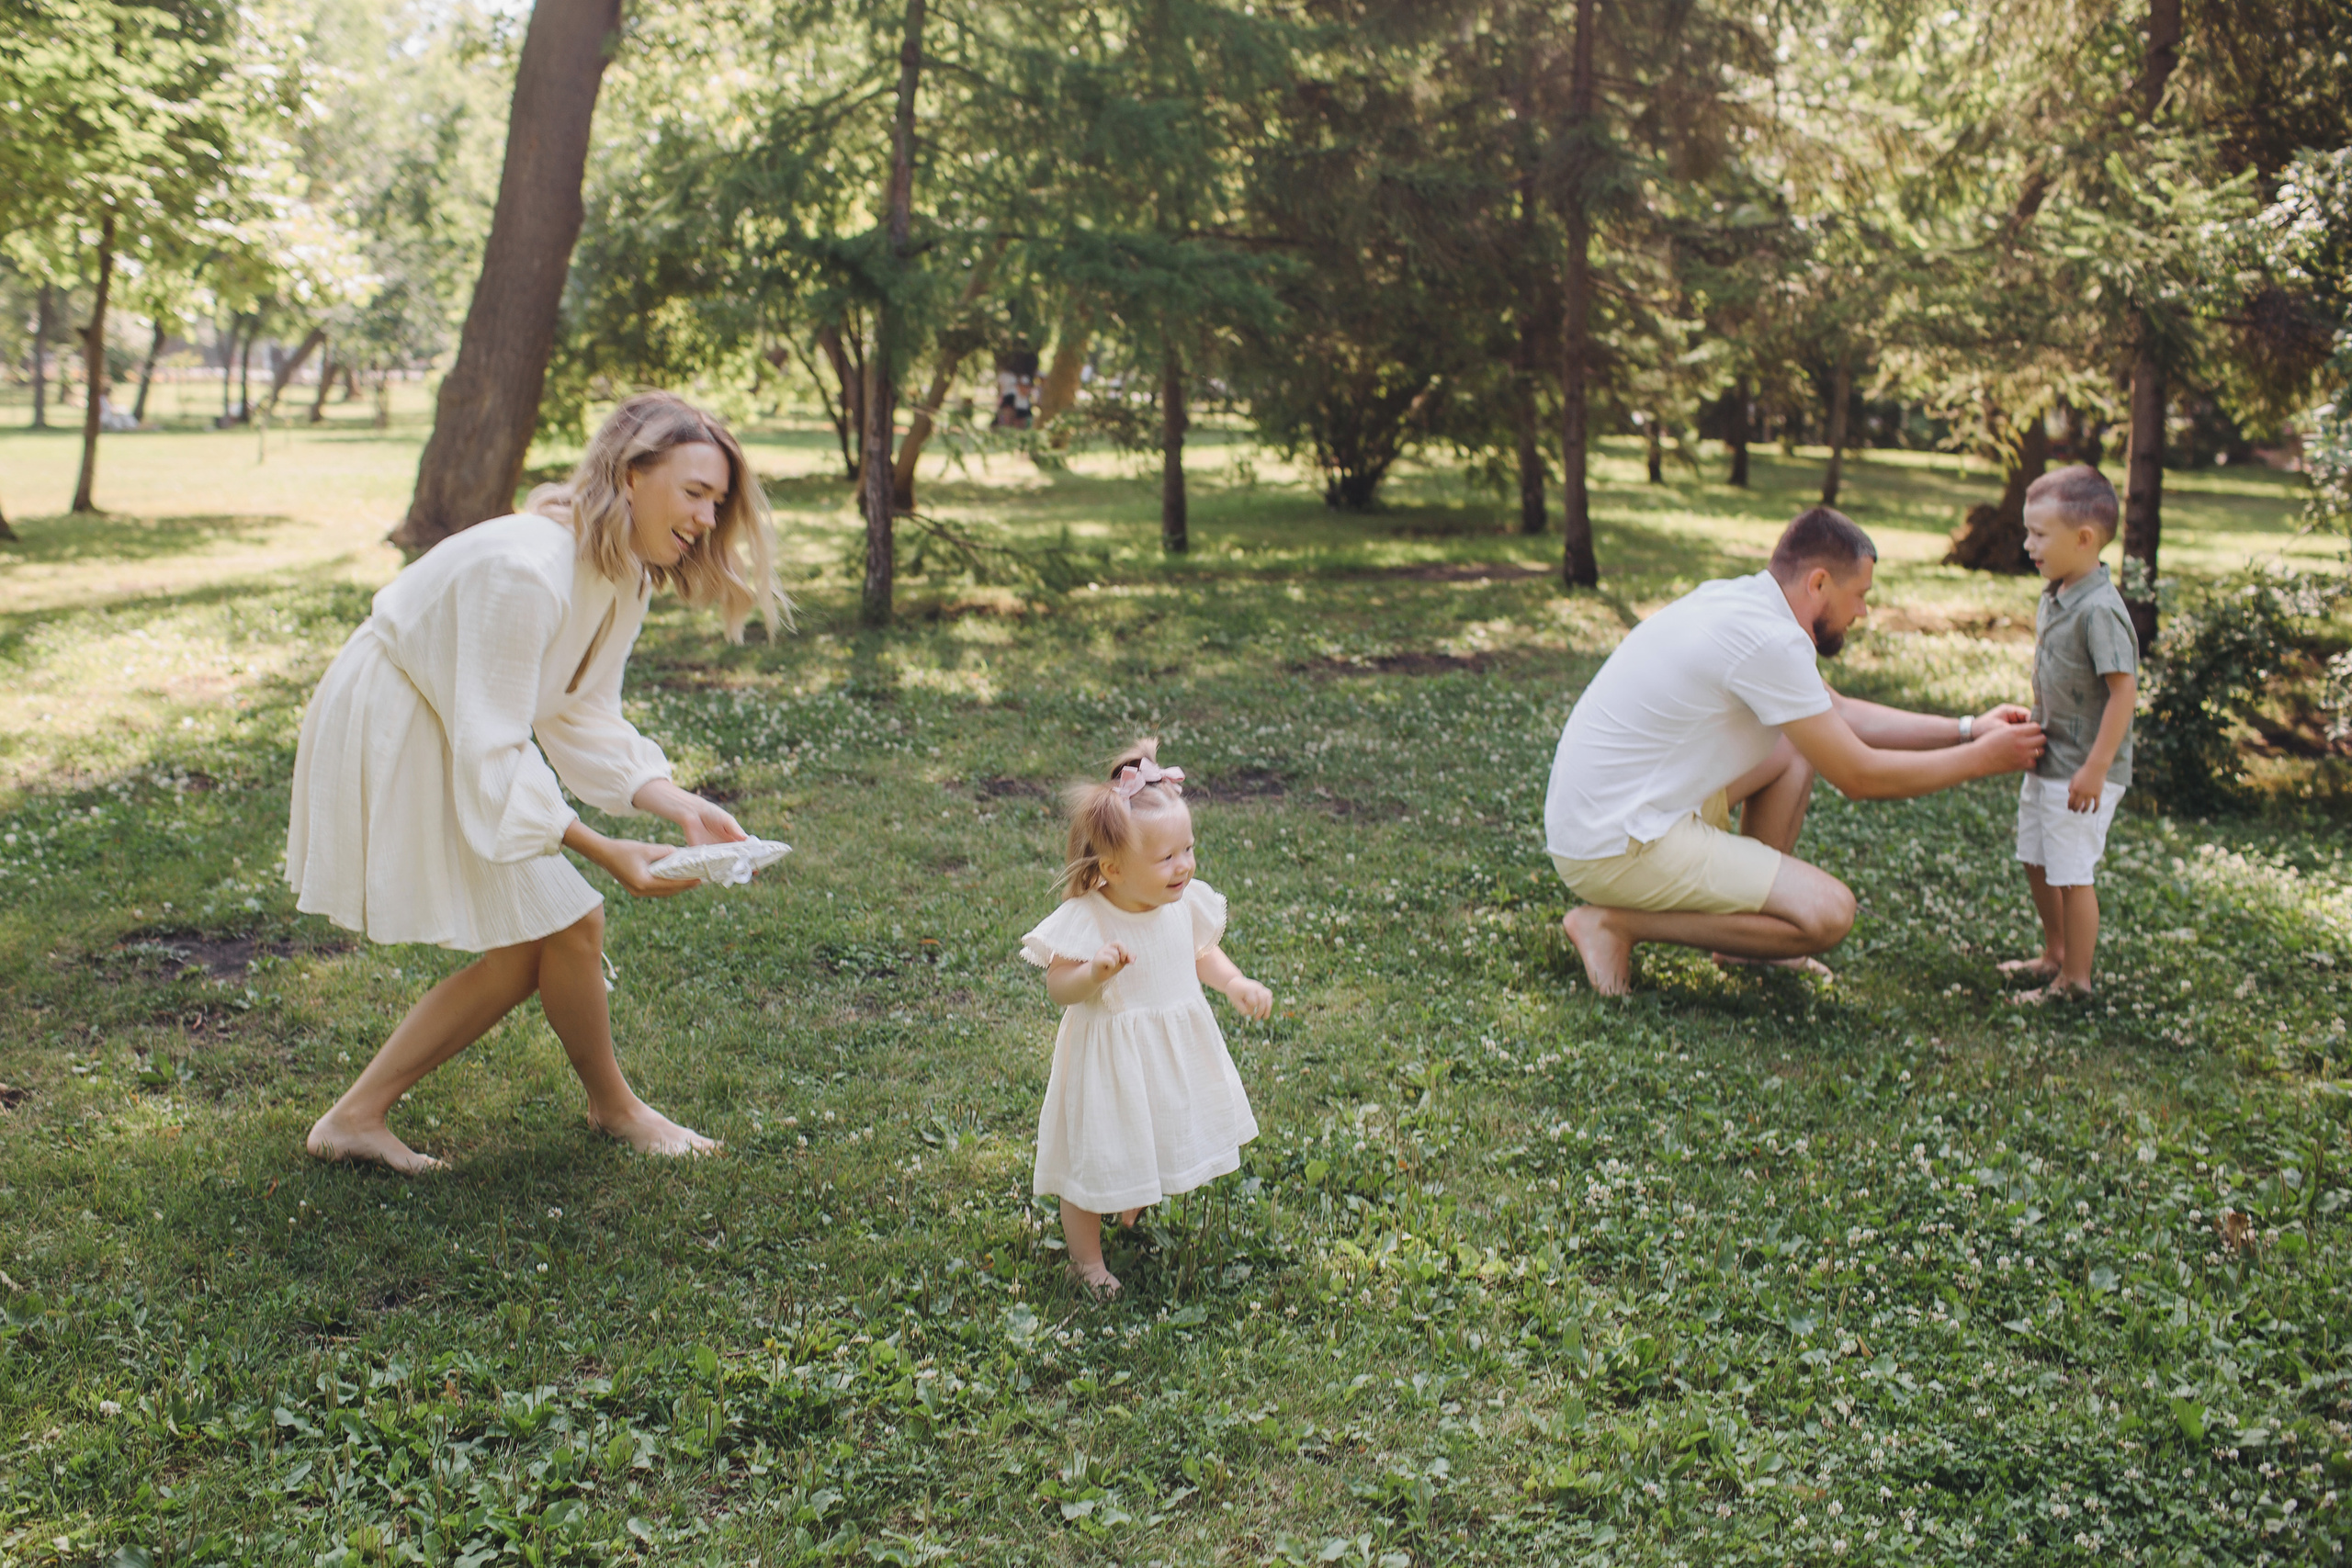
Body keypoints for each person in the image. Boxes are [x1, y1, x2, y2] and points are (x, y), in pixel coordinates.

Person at [288, 391, 786, 1173]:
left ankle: (356, 1116)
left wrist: (675, 801)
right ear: (630, 475)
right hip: (401, 714)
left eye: (717, 502)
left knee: (546, 935)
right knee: (567, 918)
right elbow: (495, 747)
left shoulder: (623, 572)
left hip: (454, 718)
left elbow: (581, 712)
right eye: (693, 492)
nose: (704, 518)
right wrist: (603, 846)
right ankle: (615, 1108)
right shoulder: (525, 568)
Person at [1544, 506, 2047, 996]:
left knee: (1793, 748)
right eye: (1859, 595)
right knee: (1831, 912)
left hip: (1605, 819)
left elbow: (1840, 713)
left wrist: (1968, 729)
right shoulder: (1769, 641)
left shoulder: (1740, 601)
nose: (1863, 612)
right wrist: (1985, 760)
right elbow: (1860, 776)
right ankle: (1612, 924)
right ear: (1819, 583)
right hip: (1616, 845)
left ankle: (1748, 946)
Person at [1019, 740, 1271, 1295]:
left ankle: (1133, 1193)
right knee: (1093, 1157)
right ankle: (1086, 1259)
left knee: (1151, 1129)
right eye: (1166, 858)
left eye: (1189, 849)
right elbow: (1059, 985)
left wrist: (1234, 983)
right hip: (1108, 1063)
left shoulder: (1182, 904)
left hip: (1165, 1057)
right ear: (1111, 868)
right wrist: (1095, 974)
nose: (1184, 865)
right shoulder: (1088, 917)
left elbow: (1201, 952)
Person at [1996, 466, 2138, 1002]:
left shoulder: (2101, 611)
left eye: (2039, 534)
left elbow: (2123, 693)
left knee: (2073, 872)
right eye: (2028, 531)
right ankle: (2053, 954)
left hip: (2084, 768)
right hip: (2051, 757)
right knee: (2036, 857)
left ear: (2084, 540)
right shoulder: (2057, 594)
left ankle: (2075, 980)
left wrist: (2097, 768)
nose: (2028, 544)